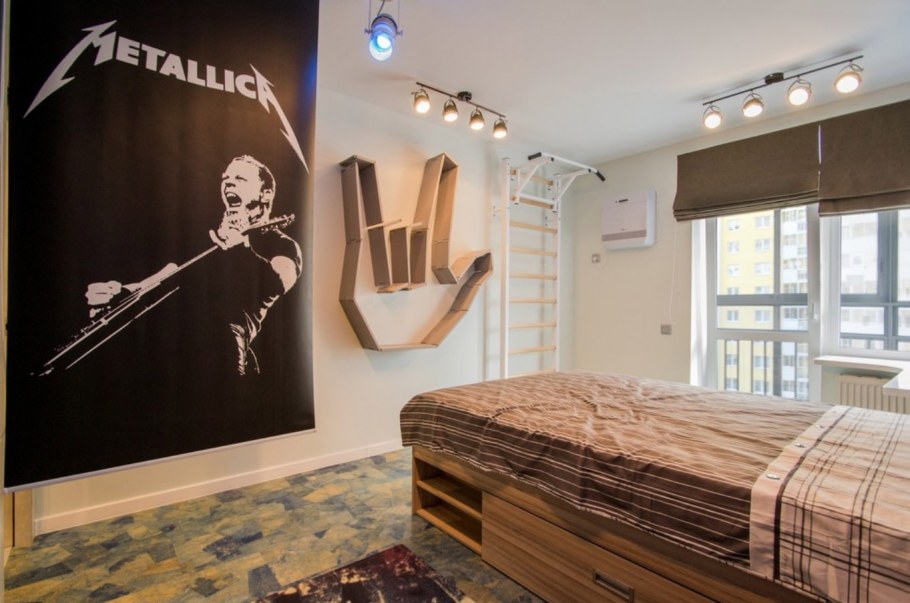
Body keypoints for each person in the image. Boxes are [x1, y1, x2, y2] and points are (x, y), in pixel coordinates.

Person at [85, 155, 302, 375]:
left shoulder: (282, 244)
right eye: (225, 179)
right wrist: (120, 293)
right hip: (172, 341)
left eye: (240, 178)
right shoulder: (206, 238)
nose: (228, 183)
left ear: (265, 194)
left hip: (219, 345)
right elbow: (166, 276)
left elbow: (278, 283)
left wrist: (241, 248)